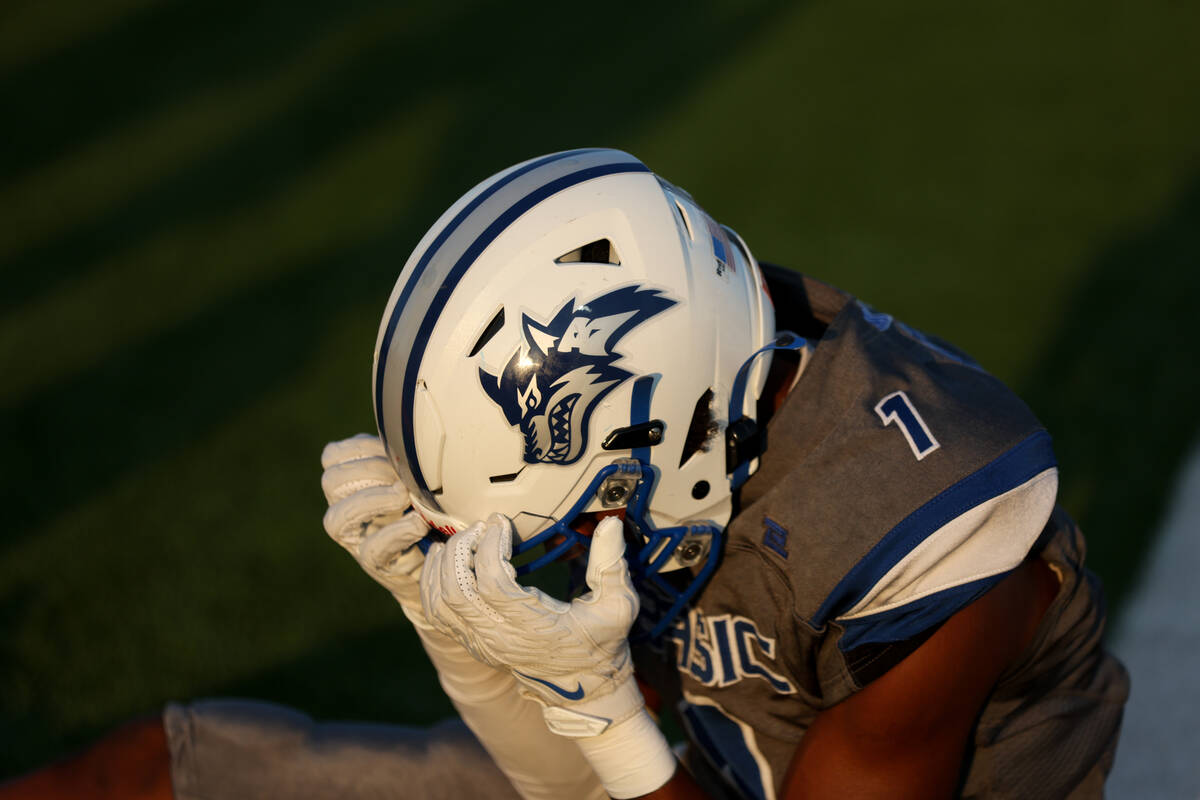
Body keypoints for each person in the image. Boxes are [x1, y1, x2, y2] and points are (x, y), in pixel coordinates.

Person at [0, 148, 1127, 799]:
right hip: (689, 771)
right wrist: (457, 632)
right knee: (160, 775)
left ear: (675, 426)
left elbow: (612, 761)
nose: (533, 558)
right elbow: (564, 785)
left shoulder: (934, 540)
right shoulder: (715, 356)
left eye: (550, 524)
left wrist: (608, 718)